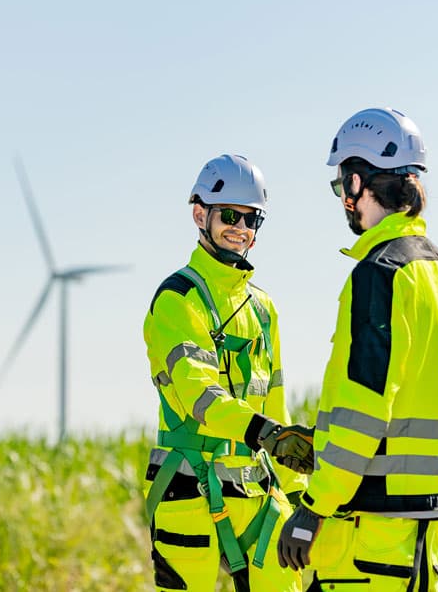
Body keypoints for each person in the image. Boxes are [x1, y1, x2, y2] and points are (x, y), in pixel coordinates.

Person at [276, 108, 438, 591]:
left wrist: (315, 504)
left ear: (357, 183)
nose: (342, 200)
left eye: (340, 186)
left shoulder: (379, 275)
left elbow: (363, 406)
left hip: (371, 530)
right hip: (428, 526)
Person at [143, 154, 315, 592]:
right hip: (187, 492)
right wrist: (267, 433)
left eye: (252, 218)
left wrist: (297, 497)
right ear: (200, 214)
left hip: (256, 492)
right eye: (230, 215)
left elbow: (275, 399)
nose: (241, 227)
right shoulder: (177, 300)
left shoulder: (263, 309)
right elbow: (200, 394)